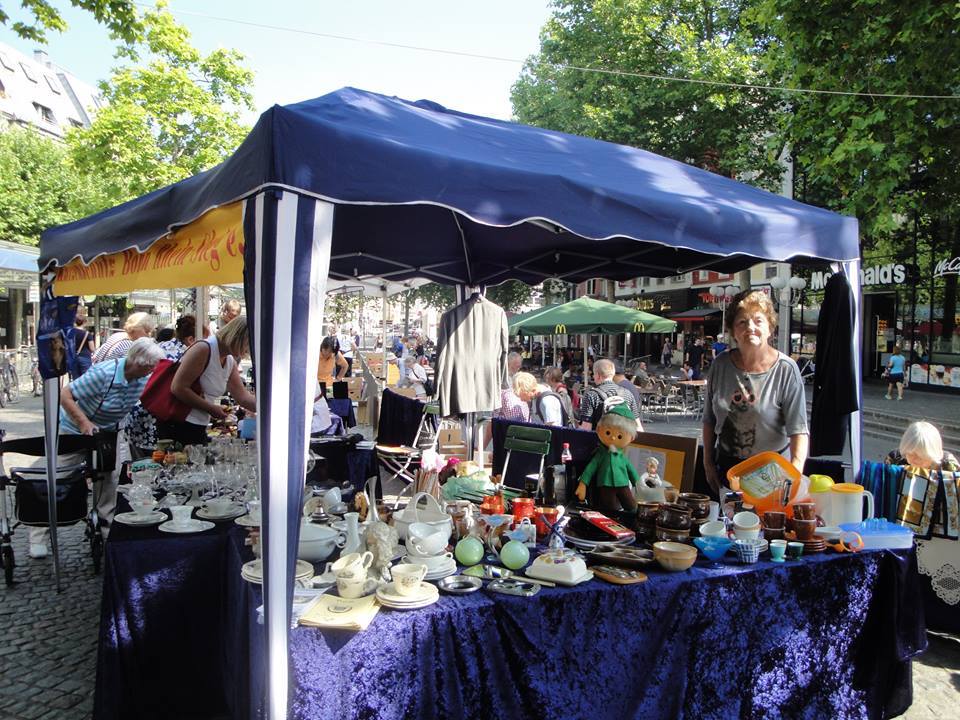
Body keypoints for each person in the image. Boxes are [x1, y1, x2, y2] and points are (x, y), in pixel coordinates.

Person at [28, 338, 166, 559]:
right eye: (150, 366)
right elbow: (65, 395)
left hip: (107, 432)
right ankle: (39, 534)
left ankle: (106, 528)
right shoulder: (104, 373)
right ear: (137, 363)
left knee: (108, 478)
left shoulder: (143, 377)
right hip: (73, 429)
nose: (152, 371)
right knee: (57, 478)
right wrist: (83, 422)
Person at [702, 290, 808, 496]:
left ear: (770, 328)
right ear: (733, 331)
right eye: (742, 322)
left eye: (758, 321)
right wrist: (707, 463)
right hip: (728, 473)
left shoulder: (785, 369)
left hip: (772, 477)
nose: (750, 328)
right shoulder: (720, 364)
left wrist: (794, 477)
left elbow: (799, 430)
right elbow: (709, 419)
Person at [160, 316, 257, 446]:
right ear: (238, 337)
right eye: (247, 345)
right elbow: (178, 387)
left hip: (198, 425)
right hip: (179, 424)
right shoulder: (203, 349)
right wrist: (210, 408)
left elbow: (243, 397)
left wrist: (270, 408)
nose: (247, 351)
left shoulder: (229, 361)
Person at [123, 315, 200, 459]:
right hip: (152, 419)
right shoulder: (186, 356)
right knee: (155, 466)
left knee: (142, 464)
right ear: (191, 339)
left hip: (137, 413)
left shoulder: (165, 344)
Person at [578, 358, 642, 431]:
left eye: (594, 374)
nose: (593, 377)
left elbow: (586, 428)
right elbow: (638, 427)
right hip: (622, 439)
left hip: (600, 440)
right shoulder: (627, 393)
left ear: (598, 375)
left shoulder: (592, 395)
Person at [886, 421, 959, 471]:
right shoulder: (895, 459)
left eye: (922, 455)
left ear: (933, 453)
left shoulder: (948, 465)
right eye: (911, 454)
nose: (915, 459)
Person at [69, 315, 94, 380]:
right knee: (86, 379)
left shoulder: (70, 333)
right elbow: (92, 348)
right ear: (84, 322)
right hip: (85, 357)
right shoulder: (87, 334)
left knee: (75, 379)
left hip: (73, 358)